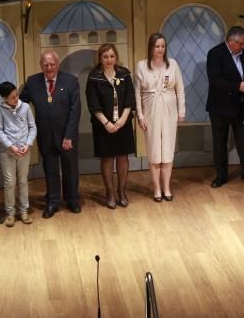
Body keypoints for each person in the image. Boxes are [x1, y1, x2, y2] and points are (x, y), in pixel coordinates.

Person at [21, 50, 81, 216]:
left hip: (67, 135)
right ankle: (53, 202)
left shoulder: (71, 81)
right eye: (45, 65)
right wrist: (3, 116)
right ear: (41, 66)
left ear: (58, 64)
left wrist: (68, 136)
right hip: (45, 135)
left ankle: (72, 199)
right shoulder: (32, 82)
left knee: (70, 168)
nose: (49, 68)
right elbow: (20, 104)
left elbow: (75, 111)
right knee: (50, 169)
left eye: (52, 64)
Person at [134, 33, 186, 202]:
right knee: (154, 150)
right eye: (157, 46)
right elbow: (137, 93)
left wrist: (181, 111)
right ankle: (156, 188)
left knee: (168, 150)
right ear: (151, 47)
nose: (160, 49)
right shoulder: (142, 66)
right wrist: (140, 116)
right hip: (151, 110)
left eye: (163, 46)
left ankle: (166, 187)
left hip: (169, 110)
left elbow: (180, 89)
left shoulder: (173, 65)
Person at [86, 43, 136, 208]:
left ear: (116, 57)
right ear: (100, 58)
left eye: (112, 56)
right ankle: (110, 192)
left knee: (123, 157)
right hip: (103, 126)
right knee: (107, 158)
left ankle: (122, 191)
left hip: (124, 123)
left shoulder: (124, 74)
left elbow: (130, 98)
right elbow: (93, 104)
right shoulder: (94, 77)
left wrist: (122, 120)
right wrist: (106, 123)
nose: (109, 60)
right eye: (105, 57)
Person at [206, 26, 244, 187]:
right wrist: (237, 87)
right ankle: (221, 176)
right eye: (240, 43)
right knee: (220, 143)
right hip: (220, 107)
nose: (242, 46)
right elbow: (215, 81)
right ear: (230, 41)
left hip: (241, 106)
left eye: (243, 43)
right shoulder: (215, 53)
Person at [0, 81, 37, 225]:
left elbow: (32, 127)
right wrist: (10, 146)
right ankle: (10, 212)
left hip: (24, 151)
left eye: (17, 95)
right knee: (9, 182)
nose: (16, 98)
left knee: (23, 181)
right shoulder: (0, 110)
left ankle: (24, 211)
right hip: (8, 152)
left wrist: (28, 144)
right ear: (4, 98)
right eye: (12, 97)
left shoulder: (25, 107)